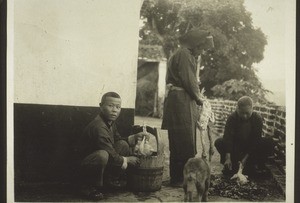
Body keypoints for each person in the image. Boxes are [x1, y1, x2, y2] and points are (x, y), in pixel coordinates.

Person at [161, 29, 214, 187]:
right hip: (181, 101)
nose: (202, 51)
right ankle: (182, 179)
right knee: (184, 141)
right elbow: (189, 81)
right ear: (196, 44)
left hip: (180, 100)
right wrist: (199, 98)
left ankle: (178, 177)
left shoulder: (181, 53)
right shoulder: (185, 55)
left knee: (179, 141)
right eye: (202, 47)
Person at [76, 92, 145, 200]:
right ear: (101, 106)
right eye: (110, 106)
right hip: (85, 166)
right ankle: (88, 187)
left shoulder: (110, 122)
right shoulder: (99, 126)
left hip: (101, 163)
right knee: (102, 155)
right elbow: (108, 151)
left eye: (118, 107)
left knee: (122, 144)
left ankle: (110, 180)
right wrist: (127, 159)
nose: (115, 110)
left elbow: (117, 140)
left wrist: (134, 137)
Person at [214, 96, 275, 177]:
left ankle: (256, 165)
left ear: (252, 109)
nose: (245, 116)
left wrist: (245, 158)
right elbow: (228, 138)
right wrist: (228, 157)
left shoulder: (257, 118)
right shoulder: (232, 118)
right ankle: (230, 165)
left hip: (251, 149)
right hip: (236, 147)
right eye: (242, 113)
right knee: (219, 142)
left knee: (269, 142)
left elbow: (255, 140)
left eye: (247, 113)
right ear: (237, 109)